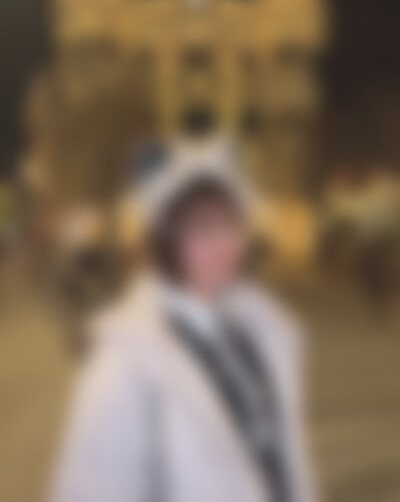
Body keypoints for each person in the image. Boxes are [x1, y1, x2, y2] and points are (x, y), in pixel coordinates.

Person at [49, 143, 315, 502]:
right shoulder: (127, 362)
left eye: (231, 223)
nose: (226, 242)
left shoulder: (259, 331)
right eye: (202, 228)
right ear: (165, 239)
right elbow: (92, 489)